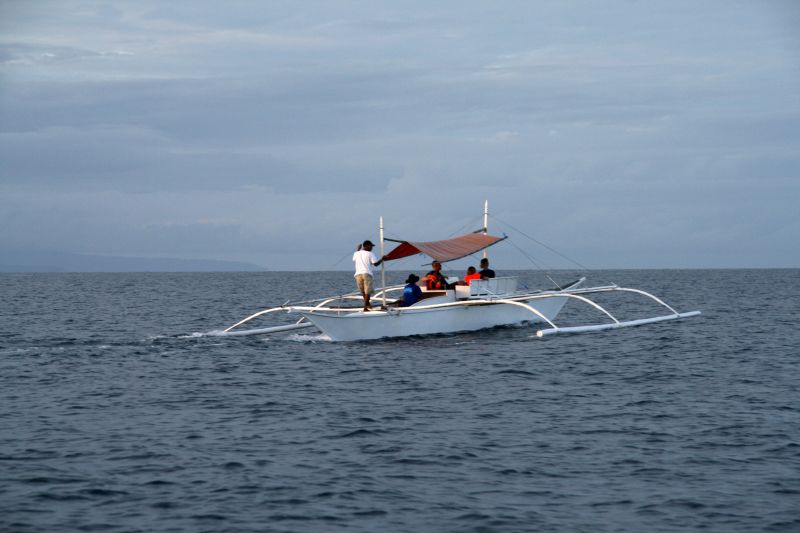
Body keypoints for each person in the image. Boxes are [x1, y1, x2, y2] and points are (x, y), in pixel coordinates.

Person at [353, 240, 385, 311]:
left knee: (363, 291)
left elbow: (354, 259)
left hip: (358, 274)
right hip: (367, 273)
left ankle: (367, 305)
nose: (372, 248)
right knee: (368, 291)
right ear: (366, 246)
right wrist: (382, 259)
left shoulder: (356, 253)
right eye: (371, 246)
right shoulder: (370, 254)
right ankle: (365, 307)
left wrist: (358, 249)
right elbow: (375, 264)